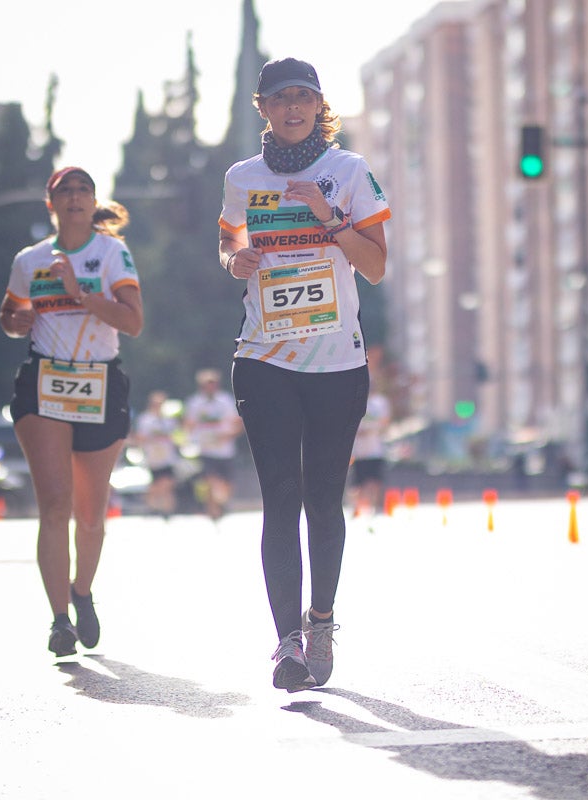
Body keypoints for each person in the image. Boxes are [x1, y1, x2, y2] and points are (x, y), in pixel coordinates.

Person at [218, 58, 390, 691]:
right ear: (262, 107)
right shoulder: (242, 178)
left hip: (336, 362)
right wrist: (235, 259)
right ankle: (286, 641)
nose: (293, 108)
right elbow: (228, 241)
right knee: (279, 498)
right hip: (263, 355)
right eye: (281, 98)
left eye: (304, 98)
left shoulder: (347, 172)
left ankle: (322, 619)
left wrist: (328, 215)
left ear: (320, 106)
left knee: (323, 498)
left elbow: (374, 266)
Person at [0, 166, 144, 658]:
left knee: (90, 516)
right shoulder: (30, 260)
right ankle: (59, 620)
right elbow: (10, 314)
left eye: (85, 190)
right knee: (55, 506)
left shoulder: (111, 253)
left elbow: (133, 321)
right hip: (44, 384)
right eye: (67, 191)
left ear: (94, 201)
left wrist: (81, 294)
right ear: (51, 204)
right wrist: (16, 321)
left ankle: (81, 591)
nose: (76, 197)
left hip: (100, 381)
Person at [183, 369, 242, 521]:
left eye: (213, 384)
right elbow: (188, 424)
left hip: (225, 450)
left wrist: (229, 435)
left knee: (226, 486)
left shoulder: (226, 400)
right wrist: (189, 441)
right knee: (209, 481)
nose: (210, 387)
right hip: (205, 449)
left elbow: (237, 422)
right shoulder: (195, 403)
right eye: (206, 384)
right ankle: (212, 513)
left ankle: (220, 505)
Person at [131, 390, 181, 518]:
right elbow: (140, 436)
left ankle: (167, 510)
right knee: (157, 485)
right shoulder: (146, 419)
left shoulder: (170, 420)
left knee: (168, 483)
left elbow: (177, 436)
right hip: (153, 458)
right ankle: (153, 505)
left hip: (168, 457)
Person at [349, 388, 391, 519]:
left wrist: (371, 429)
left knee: (375, 482)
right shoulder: (354, 402)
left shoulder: (379, 403)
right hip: (359, 452)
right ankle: (357, 510)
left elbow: (385, 422)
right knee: (357, 485)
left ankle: (377, 509)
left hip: (375, 450)